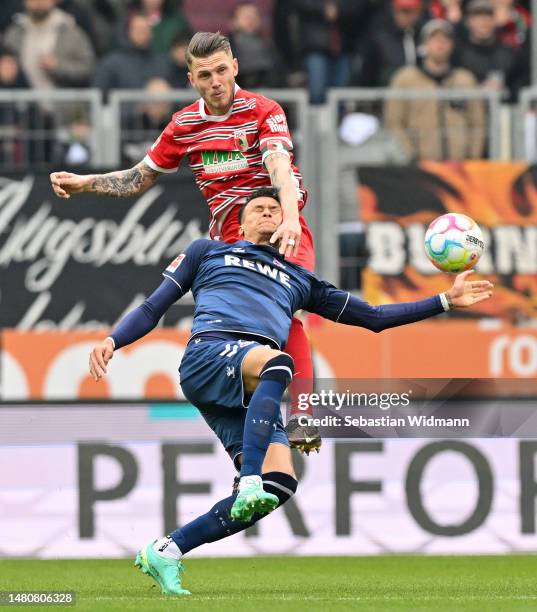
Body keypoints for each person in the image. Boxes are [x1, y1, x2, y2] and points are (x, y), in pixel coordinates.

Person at [88, 188, 493, 596]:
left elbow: (374, 318)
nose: (268, 214)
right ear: (240, 223)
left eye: (277, 211)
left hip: (248, 381)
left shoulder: (301, 281)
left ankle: (168, 549)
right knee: (279, 364)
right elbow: (152, 308)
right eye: (259, 210)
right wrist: (113, 340)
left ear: (291, 227)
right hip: (210, 356)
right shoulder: (207, 253)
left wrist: (444, 300)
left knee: (278, 485)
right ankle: (247, 480)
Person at [50, 31, 320, 454]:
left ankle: (303, 414)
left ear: (235, 67)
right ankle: (259, 437)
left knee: (286, 309)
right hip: (230, 239)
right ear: (192, 79)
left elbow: (280, 167)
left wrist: (288, 218)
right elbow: (139, 177)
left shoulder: (264, 111)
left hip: (280, 225)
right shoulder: (185, 125)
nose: (216, 82)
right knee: (242, 334)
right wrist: (87, 184)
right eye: (205, 75)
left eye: (221, 71)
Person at [385, 19, 485, 160]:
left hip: (460, 166)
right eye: (434, 38)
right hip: (420, 167)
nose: (440, 43)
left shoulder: (465, 80)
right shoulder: (405, 79)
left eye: (445, 39)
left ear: (452, 45)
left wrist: (473, 157)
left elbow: (477, 123)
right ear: (423, 45)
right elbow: (394, 121)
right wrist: (410, 156)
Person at [3, 0, 96, 89]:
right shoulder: (13, 33)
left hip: (63, 102)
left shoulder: (72, 33)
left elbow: (89, 69)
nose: (38, 1)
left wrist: (58, 66)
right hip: (23, 103)